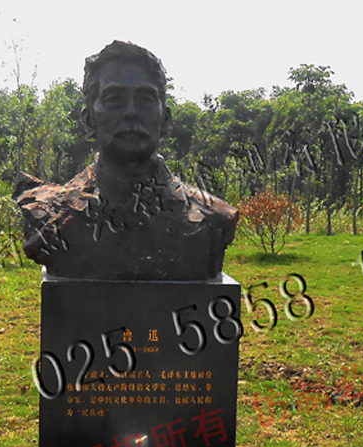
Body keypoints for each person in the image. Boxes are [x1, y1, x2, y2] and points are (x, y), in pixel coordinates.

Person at [14, 41, 238, 280]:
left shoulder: (212, 220)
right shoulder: (51, 218)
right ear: (88, 120)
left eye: (146, 99)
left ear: (165, 120)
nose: (131, 111)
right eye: (114, 99)